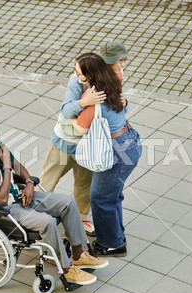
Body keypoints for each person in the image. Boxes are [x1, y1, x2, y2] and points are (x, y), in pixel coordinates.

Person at [0, 118, 108, 285]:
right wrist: (6, 165)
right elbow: (2, 198)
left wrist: (30, 183)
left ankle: (78, 255)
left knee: (68, 202)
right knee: (47, 222)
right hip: (4, 210)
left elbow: (19, 167)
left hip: (19, 197)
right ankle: (67, 270)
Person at [38, 41, 129, 237]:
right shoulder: (77, 81)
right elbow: (65, 110)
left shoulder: (114, 79)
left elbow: (118, 112)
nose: (123, 65)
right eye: (119, 61)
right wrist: (83, 103)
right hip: (64, 143)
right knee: (48, 180)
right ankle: (36, 216)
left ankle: (81, 217)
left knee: (84, 184)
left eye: (123, 60)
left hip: (89, 146)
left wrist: (125, 103)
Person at [70, 53, 142, 257]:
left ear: (90, 75)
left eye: (79, 73)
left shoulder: (92, 97)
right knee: (113, 195)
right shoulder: (113, 81)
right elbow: (123, 105)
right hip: (130, 141)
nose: (76, 76)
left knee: (100, 198)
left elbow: (81, 129)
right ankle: (117, 235)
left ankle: (111, 244)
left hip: (116, 150)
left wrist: (71, 119)